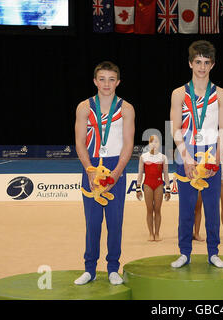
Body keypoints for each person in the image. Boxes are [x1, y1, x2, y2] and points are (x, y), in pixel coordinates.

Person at [170, 40, 223, 268]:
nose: (202, 67)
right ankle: (184, 252)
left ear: (213, 65)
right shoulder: (178, 94)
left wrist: (216, 158)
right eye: (198, 62)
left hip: (211, 155)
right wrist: (185, 157)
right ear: (190, 63)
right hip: (185, 153)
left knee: (212, 207)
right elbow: (175, 128)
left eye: (206, 63)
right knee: (186, 208)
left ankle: (213, 252)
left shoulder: (222, 94)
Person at [74, 61, 135, 285]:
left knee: (115, 222)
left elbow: (128, 144)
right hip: (90, 166)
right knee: (92, 222)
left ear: (118, 81)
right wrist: (90, 170)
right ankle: (89, 268)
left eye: (111, 79)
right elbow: (80, 143)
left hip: (115, 166)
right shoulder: (84, 107)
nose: (106, 84)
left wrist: (117, 173)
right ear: (94, 81)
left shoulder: (126, 108)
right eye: (102, 79)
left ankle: (112, 268)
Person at [136, 135, 171, 241]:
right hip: (147, 185)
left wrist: (168, 189)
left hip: (159, 185)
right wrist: (138, 188)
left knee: (158, 210)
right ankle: (151, 233)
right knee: (149, 209)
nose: (154, 144)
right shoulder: (143, 157)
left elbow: (166, 174)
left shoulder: (163, 157)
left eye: (156, 142)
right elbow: (140, 174)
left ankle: (157, 233)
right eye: (152, 142)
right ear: (149, 143)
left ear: (159, 144)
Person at [173, 175, 204, 241]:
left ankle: (196, 233)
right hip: (186, 180)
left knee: (198, 209)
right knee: (186, 208)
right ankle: (185, 232)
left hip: (198, 180)